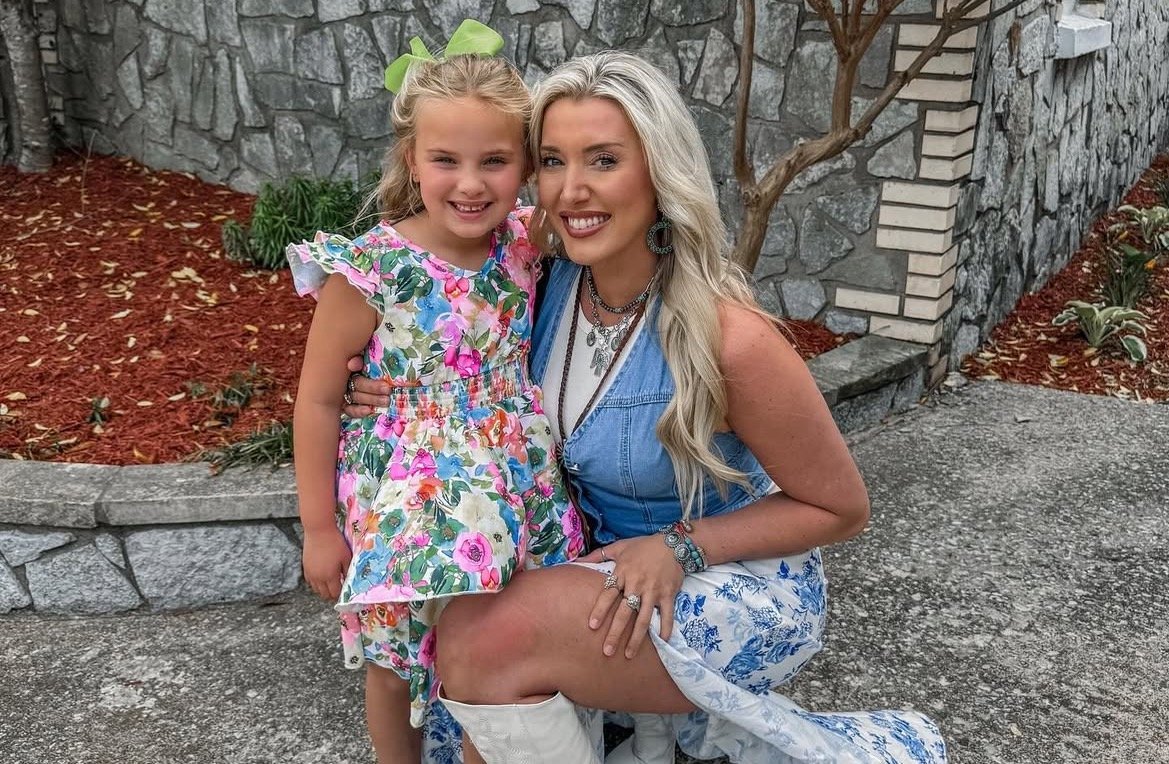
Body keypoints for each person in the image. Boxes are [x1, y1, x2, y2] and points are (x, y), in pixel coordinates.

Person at [346, 51, 948, 764]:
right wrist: (381, 381)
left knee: (487, 645)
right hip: (593, 565)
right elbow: (439, 304)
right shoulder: (545, 280)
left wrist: (680, 545)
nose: (572, 190)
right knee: (457, 680)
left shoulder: (730, 338)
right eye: (553, 161)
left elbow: (840, 508)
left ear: (658, 172)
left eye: (603, 160)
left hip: (733, 579)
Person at [286, 23, 587, 763]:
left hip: (515, 479)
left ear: (524, 165)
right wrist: (318, 528)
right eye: (445, 159)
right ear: (411, 161)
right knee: (396, 659)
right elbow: (320, 399)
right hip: (403, 490)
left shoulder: (526, 243)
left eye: (494, 159)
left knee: (499, 647)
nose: (470, 182)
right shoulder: (373, 269)